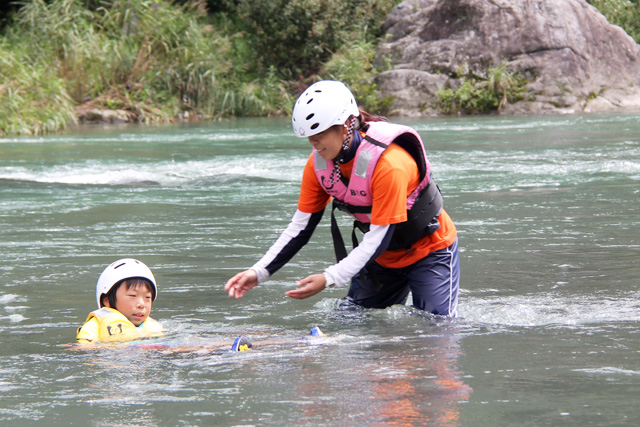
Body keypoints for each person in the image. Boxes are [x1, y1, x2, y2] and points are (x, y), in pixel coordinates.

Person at [224, 80, 460, 317]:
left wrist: (329, 278)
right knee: (350, 319)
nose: (313, 142)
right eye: (309, 135)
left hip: (431, 250)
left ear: (347, 124)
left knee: (434, 328)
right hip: (382, 259)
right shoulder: (317, 164)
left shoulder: (389, 164)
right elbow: (300, 227)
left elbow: (379, 236)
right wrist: (259, 271)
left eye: (320, 132)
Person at [76, 258, 163, 343]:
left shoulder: (154, 326)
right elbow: (83, 346)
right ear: (107, 301)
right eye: (133, 295)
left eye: (147, 297)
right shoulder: (96, 323)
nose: (141, 304)